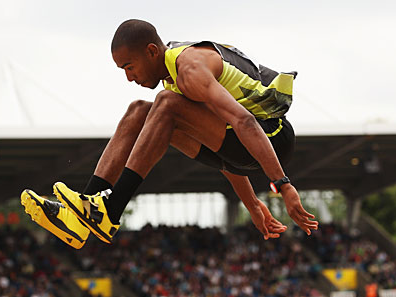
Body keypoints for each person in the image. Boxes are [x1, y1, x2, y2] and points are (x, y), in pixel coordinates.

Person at [21, 19, 319, 249]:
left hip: (274, 139)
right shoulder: (173, 79)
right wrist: (252, 205)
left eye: (129, 66)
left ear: (152, 51)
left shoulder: (188, 69)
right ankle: (83, 213)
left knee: (164, 105)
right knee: (139, 110)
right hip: (240, 148)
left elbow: (244, 123)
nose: (128, 77)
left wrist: (283, 185)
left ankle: (109, 211)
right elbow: (222, 149)